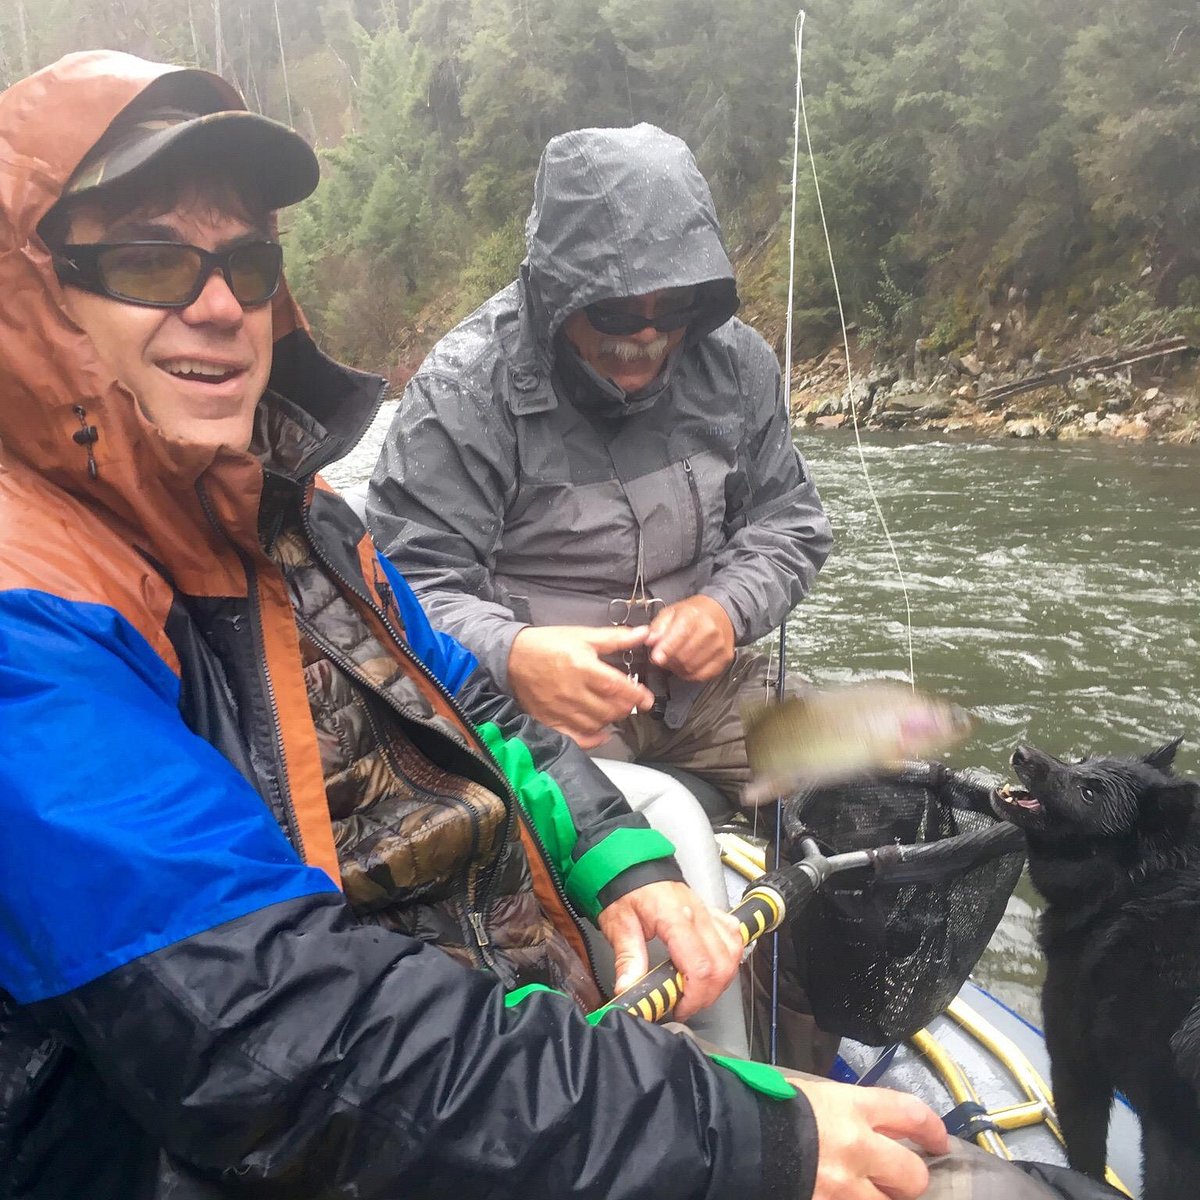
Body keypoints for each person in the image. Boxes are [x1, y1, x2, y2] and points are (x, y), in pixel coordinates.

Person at [0, 48, 948, 1200]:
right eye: (152, 262)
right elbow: (269, 1034)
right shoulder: (30, 623)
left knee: (863, 772)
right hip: (292, 1114)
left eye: (245, 264)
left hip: (668, 734)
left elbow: (464, 683)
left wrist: (624, 849)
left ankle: (810, 1052)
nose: (216, 303)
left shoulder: (301, 514)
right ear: (35, 295)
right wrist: (746, 1145)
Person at [366, 122, 832, 813]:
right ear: (557, 296)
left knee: (851, 774)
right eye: (614, 311)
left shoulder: (737, 364)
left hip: (703, 698)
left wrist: (725, 610)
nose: (645, 335)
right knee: (543, 852)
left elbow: (788, 522)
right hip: (528, 708)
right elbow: (398, 587)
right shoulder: (464, 390)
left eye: (671, 306)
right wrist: (513, 656)